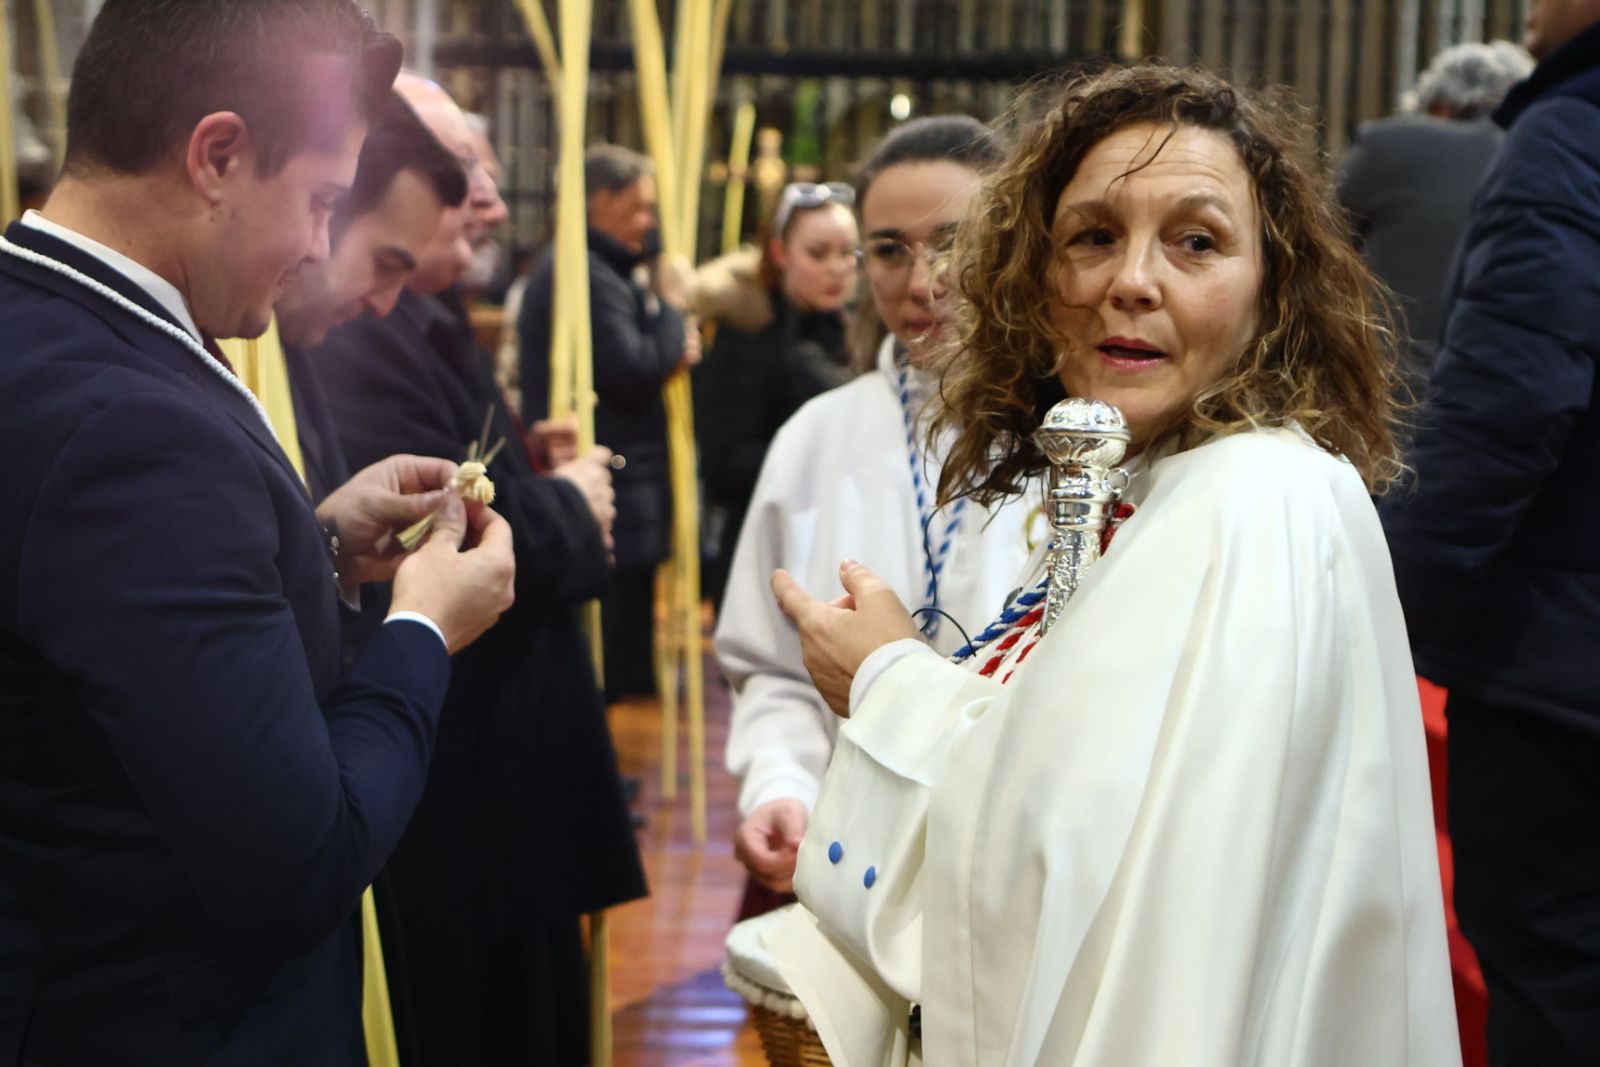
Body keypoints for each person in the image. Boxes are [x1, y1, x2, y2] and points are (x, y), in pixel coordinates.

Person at [766, 66, 1461, 1066]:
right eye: (1092, 235)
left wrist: (885, 680)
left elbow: (1055, 884)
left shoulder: (1249, 504)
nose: (1130, 280)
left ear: (1273, 289)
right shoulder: (1178, 483)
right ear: (1033, 284)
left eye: (1195, 240)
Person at [0, 3, 515, 1062]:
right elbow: (298, 863)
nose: (319, 247)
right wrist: (422, 629)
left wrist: (316, 548)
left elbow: (87, 652)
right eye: (322, 200)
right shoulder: (135, 425)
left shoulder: (45, 327)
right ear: (219, 154)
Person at [311, 80, 647, 1067]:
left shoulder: (407, 307)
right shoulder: (357, 327)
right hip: (452, 773)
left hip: (494, 763)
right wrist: (560, 505)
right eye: (465, 175)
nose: (486, 200)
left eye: (487, 176)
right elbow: (445, 525)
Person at [718, 118, 1033, 911]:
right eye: (890, 249)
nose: (922, 280)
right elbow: (772, 666)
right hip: (847, 861)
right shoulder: (817, 436)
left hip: (1016, 869)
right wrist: (780, 783)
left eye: (954, 242)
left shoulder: (1074, 435)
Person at [1379, 2, 1600, 1061]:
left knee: (1556, 991)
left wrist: (1378, 620)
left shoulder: (1570, 127)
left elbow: (1508, 400)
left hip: (1562, 685)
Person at [518, 144, 700, 701]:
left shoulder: (602, 268)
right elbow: (631, 365)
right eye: (639, 206)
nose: (649, 222)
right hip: (611, 467)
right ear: (601, 199)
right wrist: (671, 313)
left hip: (628, 467)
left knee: (626, 622)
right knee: (610, 636)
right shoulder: (587, 275)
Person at [691, 180, 859, 607]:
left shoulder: (855, 332)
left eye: (848, 254)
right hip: (765, 558)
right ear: (781, 252)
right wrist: (823, 459)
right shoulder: (747, 332)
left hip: (839, 553)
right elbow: (723, 466)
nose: (837, 268)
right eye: (818, 254)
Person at [1337, 41, 1531, 388]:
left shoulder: (1392, 146)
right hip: (1514, 392)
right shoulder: (1550, 158)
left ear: (1439, 108)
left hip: (1393, 393)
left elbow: (1311, 240)